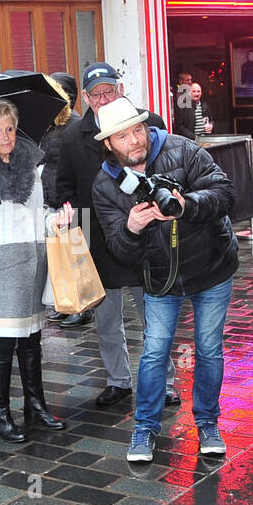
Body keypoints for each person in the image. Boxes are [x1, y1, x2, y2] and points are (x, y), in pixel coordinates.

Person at [93, 97, 238, 464]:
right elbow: (120, 250)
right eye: (123, 136)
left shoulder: (182, 149)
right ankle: (144, 428)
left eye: (137, 130)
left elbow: (224, 193)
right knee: (155, 351)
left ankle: (207, 422)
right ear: (108, 143)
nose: (135, 140)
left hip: (211, 266)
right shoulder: (106, 184)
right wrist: (132, 228)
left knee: (208, 348)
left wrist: (186, 204)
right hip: (160, 278)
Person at [53, 62, 178, 409]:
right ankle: (118, 380)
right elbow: (64, 188)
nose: (104, 98)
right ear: (88, 99)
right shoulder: (72, 138)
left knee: (155, 318)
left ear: (121, 89)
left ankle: (165, 382)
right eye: (96, 94)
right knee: (107, 320)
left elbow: (169, 172)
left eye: (109, 91)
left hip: (146, 236)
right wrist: (68, 220)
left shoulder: (148, 124)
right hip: (99, 242)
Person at [0, 97, 72, 443]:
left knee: (31, 338)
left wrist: (57, 220)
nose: (5, 136)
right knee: (3, 343)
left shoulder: (30, 161)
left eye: (9, 128)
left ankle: (35, 406)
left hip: (31, 260)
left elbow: (39, 211)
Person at [41, 72, 91, 329]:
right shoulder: (51, 124)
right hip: (52, 196)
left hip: (70, 199)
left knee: (76, 254)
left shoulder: (75, 124)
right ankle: (66, 303)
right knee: (60, 255)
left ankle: (83, 308)